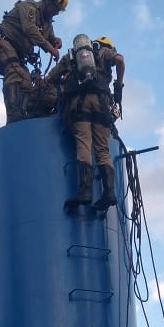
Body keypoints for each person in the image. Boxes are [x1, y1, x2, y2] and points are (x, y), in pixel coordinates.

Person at [45, 34, 125, 212]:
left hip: (79, 104)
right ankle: (109, 193)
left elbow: (50, 78)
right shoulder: (106, 53)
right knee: (103, 149)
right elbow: (119, 60)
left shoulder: (72, 55)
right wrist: (118, 86)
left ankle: (85, 192)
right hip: (102, 104)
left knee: (83, 144)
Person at [0, 0, 68, 124]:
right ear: (48, 0)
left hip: (17, 53)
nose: (56, 13)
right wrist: (50, 48)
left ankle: (21, 116)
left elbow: (49, 36)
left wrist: (55, 41)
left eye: (58, 11)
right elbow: (29, 29)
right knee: (15, 73)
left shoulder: (47, 24)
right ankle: (13, 115)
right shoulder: (29, 7)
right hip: (2, 41)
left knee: (26, 83)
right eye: (56, 8)